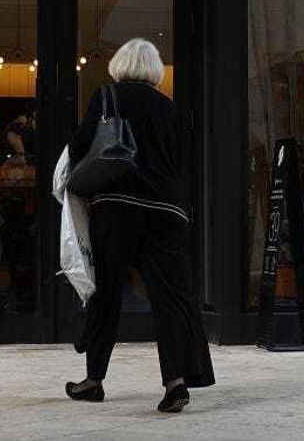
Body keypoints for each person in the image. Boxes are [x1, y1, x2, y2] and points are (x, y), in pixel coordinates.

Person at [63, 38, 215, 412]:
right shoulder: (173, 109)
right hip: (167, 212)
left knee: (106, 294)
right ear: (154, 70)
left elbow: (82, 146)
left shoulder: (107, 97)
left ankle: (94, 380)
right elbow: (181, 165)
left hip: (117, 207)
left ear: (119, 64)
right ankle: (176, 382)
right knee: (170, 299)